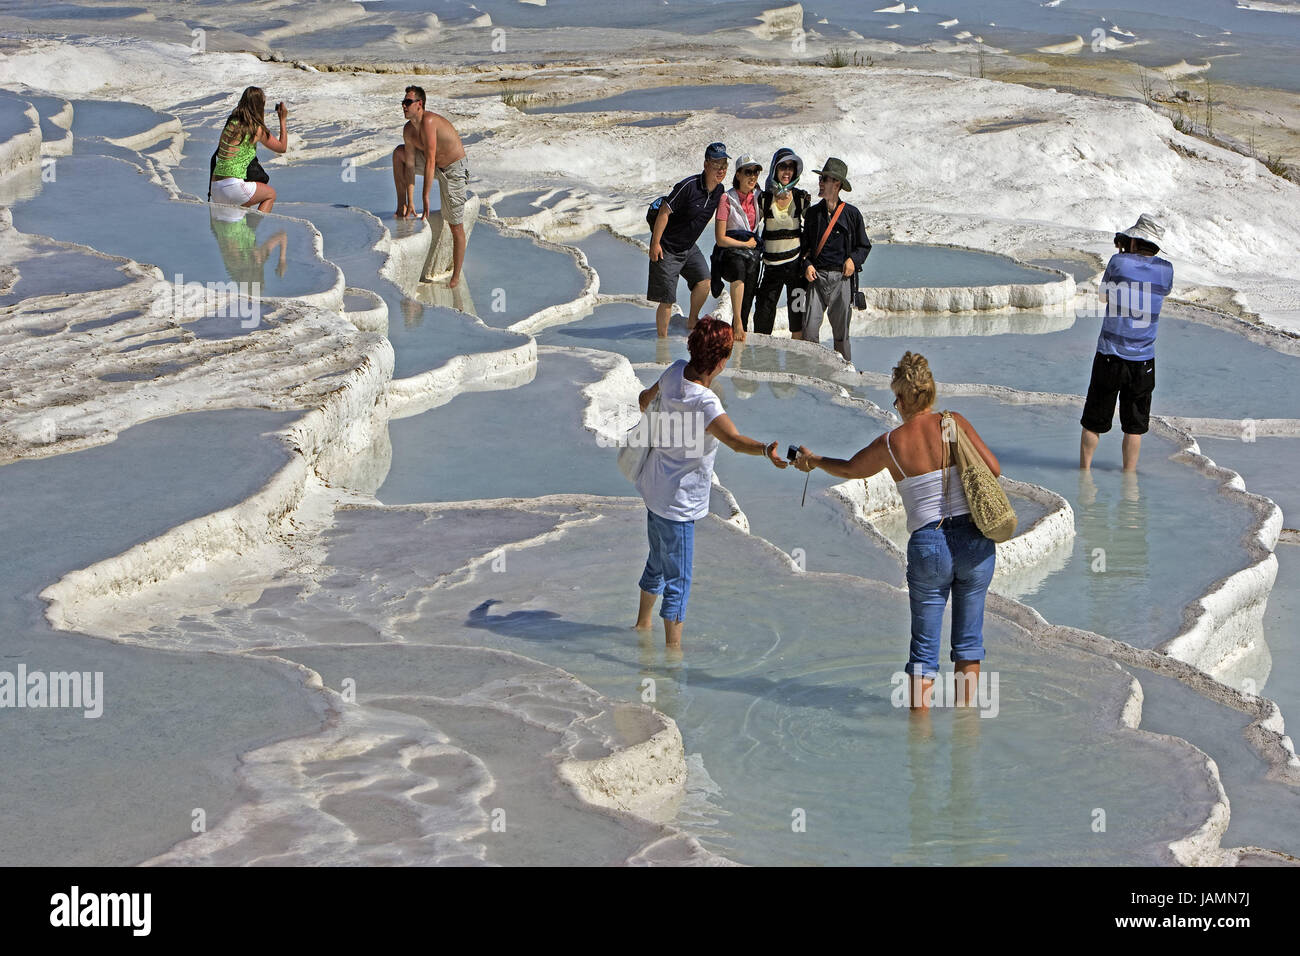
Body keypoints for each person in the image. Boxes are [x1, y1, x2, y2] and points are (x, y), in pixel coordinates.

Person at [793, 352, 1000, 710]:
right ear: (931, 393)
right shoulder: (953, 424)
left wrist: (813, 461)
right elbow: (993, 469)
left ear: (902, 400)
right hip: (974, 542)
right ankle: (966, 732)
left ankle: (918, 742)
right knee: (968, 643)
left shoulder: (892, 442)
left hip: (929, 545)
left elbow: (850, 469)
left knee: (923, 650)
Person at [634, 317, 787, 646]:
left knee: (656, 561)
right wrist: (765, 451)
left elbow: (645, 399)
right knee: (680, 582)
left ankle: (641, 627)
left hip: (654, 490)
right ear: (721, 360)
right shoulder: (706, 404)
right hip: (679, 504)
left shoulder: (674, 371)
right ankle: (672, 656)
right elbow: (733, 440)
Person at [1079, 214, 1174, 472]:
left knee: (1093, 421)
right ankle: (1128, 477)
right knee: (1134, 426)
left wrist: (1123, 254)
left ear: (1134, 241)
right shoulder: (1166, 270)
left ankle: (1084, 472)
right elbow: (1162, 290)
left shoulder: (1118, 262)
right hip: (1143, 359)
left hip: (1109, 354)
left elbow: (1103, 296)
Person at [392, 85, 470, 288]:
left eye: (408, 102)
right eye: (403, 102)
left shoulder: (429, 122)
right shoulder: (408, 130)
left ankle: (455, 277)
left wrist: (425, 196)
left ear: (420, 104)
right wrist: (411, 201)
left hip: (452, 169)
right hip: (434, 165)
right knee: (399, 154)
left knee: (456, 225)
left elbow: (431, 160)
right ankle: (401, 206)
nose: (404, 106)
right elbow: (410, 166)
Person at [648, 143, 729, 338]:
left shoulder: (719, 191)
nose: (721, 169)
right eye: (717, 163)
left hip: (689, 247)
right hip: (667, 248)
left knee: (704, 282)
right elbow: (664, 212)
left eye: (724, 164)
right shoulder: (688, 186)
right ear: (706, 164)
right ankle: (662, 341)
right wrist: (655, 243)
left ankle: (693, 320)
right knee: (667, 299)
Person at [800, 157, 871, 362]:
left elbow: (864, 246)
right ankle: (810, 379)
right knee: (809, 333)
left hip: (842, 279)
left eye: (825, 179)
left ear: (837, 184)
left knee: (841, 336)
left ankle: (843, 378)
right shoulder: (812, 214)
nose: (820, 182)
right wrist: (807, 265)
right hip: (816, 279)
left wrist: (853, 261)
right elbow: (804, 249)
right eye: (821, 178)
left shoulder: (852, 214)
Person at [753, 147, 811, 339]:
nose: (787, 172)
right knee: (763, 315)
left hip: (795, 269)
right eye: (782, 167)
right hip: (771, 268)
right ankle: (762, 361)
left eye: (790, 167)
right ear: (775, 170)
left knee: (797, 316)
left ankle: (796, 363)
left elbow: (812, 230)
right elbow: (749, 225)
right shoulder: (764, 199)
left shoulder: (801, 198)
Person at [711, 154, 764, 342]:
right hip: (728, 252)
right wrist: (745, 244)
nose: (752, 177)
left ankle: (742, 326)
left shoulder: (758, 197)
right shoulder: (726, 199)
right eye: (748, 172)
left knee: (751, 285)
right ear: (739, 174)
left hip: (750, 252)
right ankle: (738, 323)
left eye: (756, 172)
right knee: (740, 268)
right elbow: (720, 239)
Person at [209, 87, 287, 212]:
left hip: (215, 188)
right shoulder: (256, 129)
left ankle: (245, 229)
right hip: (232, 187)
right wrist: (282, 120)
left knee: (245, 202)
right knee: (270, 194)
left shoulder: (231, 122)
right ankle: (254, 229)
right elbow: (282, 147)